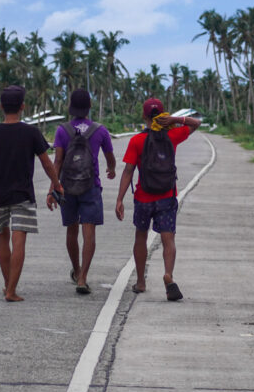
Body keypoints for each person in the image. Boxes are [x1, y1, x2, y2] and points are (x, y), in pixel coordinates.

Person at [0, 85, 63, 302]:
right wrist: (56, 184)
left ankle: (7, 285)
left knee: (2, 238)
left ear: (1, 106)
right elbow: (47, 163)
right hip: (22, 195)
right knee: (19, 240)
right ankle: (11, 290)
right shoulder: (31, 132)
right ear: (23, 106)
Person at [115, 98, 201, 301]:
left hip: (143, 197)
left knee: (140, 236)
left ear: (144, 116)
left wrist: (120, 199)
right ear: (163, 114)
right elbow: (196, 123)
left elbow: (128, 171)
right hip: (166, 196)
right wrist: (175, 119)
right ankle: (168, 274)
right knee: (168, 238)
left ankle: (141, 282)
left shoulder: (136, 140)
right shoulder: (173, 135)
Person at [47, 89, 117, 295]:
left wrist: (53, 189)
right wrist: (111, 169)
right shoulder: (100, 130)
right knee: (89, 232)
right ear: (89, 106)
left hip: (67, 187)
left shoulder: (62, 130)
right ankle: (83, 278)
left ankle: (76, 270)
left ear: (71, 107)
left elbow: (57, 162)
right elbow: (110, 157)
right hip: (91, 186)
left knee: (71, 229)